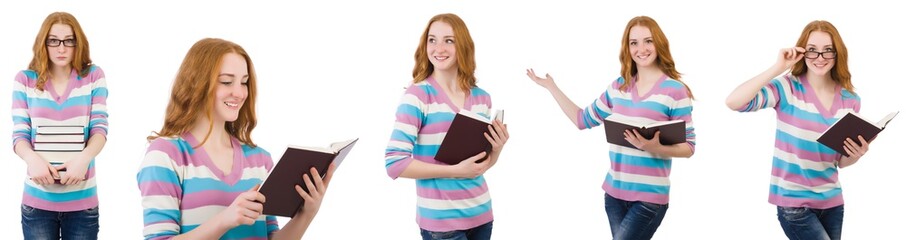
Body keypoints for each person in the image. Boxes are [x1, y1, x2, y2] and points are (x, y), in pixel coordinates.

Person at [137, 38, 332, 240]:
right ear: (197, 83)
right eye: (226, 81)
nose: (239, 93)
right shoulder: (166, 155)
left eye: (244, 82)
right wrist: (225, 220)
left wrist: (306, 214)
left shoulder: (260, 160)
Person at [526, 16, 695, 240]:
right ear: (627, 48)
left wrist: (655, 147)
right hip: (614, 196)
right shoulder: (618, 87)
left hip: (649, 198)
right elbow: (582, 119)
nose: (641, 49)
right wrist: (551, 87)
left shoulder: (675, 91)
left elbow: (689, 147)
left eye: (648, 41)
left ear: (659, 44)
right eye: (634, 43)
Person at [725, 20, 864, 240]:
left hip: (832, 202)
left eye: (828, 51)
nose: (820, 58)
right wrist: (778, 67)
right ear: (802, 52)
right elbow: (734, 102)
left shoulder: (850, 100)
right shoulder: (787, 87)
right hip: (794, 202)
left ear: (838, 54)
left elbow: (840, 161)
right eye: (812, 51)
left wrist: (856, 154)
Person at [384, 13, 509, 240]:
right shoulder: (417, 96)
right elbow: (394, 163)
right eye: (432, 40)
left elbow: (479, 165)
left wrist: (497, 148)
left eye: (448, 40)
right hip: (442, 225)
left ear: (462, 46)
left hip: (482, 215)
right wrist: (453, 171)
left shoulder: (482, 98)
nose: (438, 48)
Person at [12, 11, 109, 240]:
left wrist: (83, 159)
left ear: (78, 44)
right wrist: (32, 159)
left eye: (69, 41)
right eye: (54, 41)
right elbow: (19, 135)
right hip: (37, 203)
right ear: (43, 43)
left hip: (82, 202)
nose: (61, 48)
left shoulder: (93, 76)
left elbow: (99, 129)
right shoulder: (25, 80)